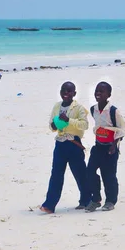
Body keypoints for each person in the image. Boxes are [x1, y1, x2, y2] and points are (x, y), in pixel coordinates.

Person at [40, 82, 91, 213]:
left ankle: (86, 200)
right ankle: (49, 205)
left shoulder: (79, 108)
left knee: (80, 174)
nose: (66, 94)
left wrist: (68, 120)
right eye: (64, 91)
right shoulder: (57, 106)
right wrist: (54, 126)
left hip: (74, 143)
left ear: (74, 93)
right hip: (60, 144)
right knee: (56, 174)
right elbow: (51, 124)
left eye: (69, 91)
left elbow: (84, 125)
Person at [85, 82, 125, 212]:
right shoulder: (93, 109)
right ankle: (96, 199)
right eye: (97, 91)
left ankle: (110, 201)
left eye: (101, 91)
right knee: (89, 172)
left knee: (109, 175)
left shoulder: (114, 111)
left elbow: (122, 130)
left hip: (111, 148)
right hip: (98, 146)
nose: (98, 94)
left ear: (108, 95)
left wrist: (114, 145)